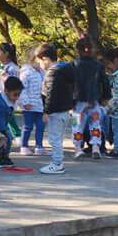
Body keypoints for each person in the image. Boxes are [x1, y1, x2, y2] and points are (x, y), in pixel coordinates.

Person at [72, 36, 111, 160]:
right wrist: (105, 97)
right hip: (94, 100)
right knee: (95, 125)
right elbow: (105, 82)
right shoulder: (98, 65)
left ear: (78, 50)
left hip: (78, 102)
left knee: (77, 126)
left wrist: (68, 100)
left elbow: (69, 84)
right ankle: (95, 147)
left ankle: (78, 148)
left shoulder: (73, 65)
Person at [38, 43, 74, 175]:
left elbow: (51, 94)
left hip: (56, 111)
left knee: (54, 139)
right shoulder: (65, 70)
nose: (40, 64)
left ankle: (57, 164)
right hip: (64, 110)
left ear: (45, 59)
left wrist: (46, 111)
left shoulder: (52, 73)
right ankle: (57, 162)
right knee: (57, 138)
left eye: (40, 61)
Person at [17, 47, 45, 156]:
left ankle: (39, 146)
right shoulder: (26, 72)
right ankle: (24, 146)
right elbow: (22, 88)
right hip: (28, 104)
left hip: (39, 104)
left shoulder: (41, 72)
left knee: (40, 126)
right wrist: (24, 102)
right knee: (28, 126)